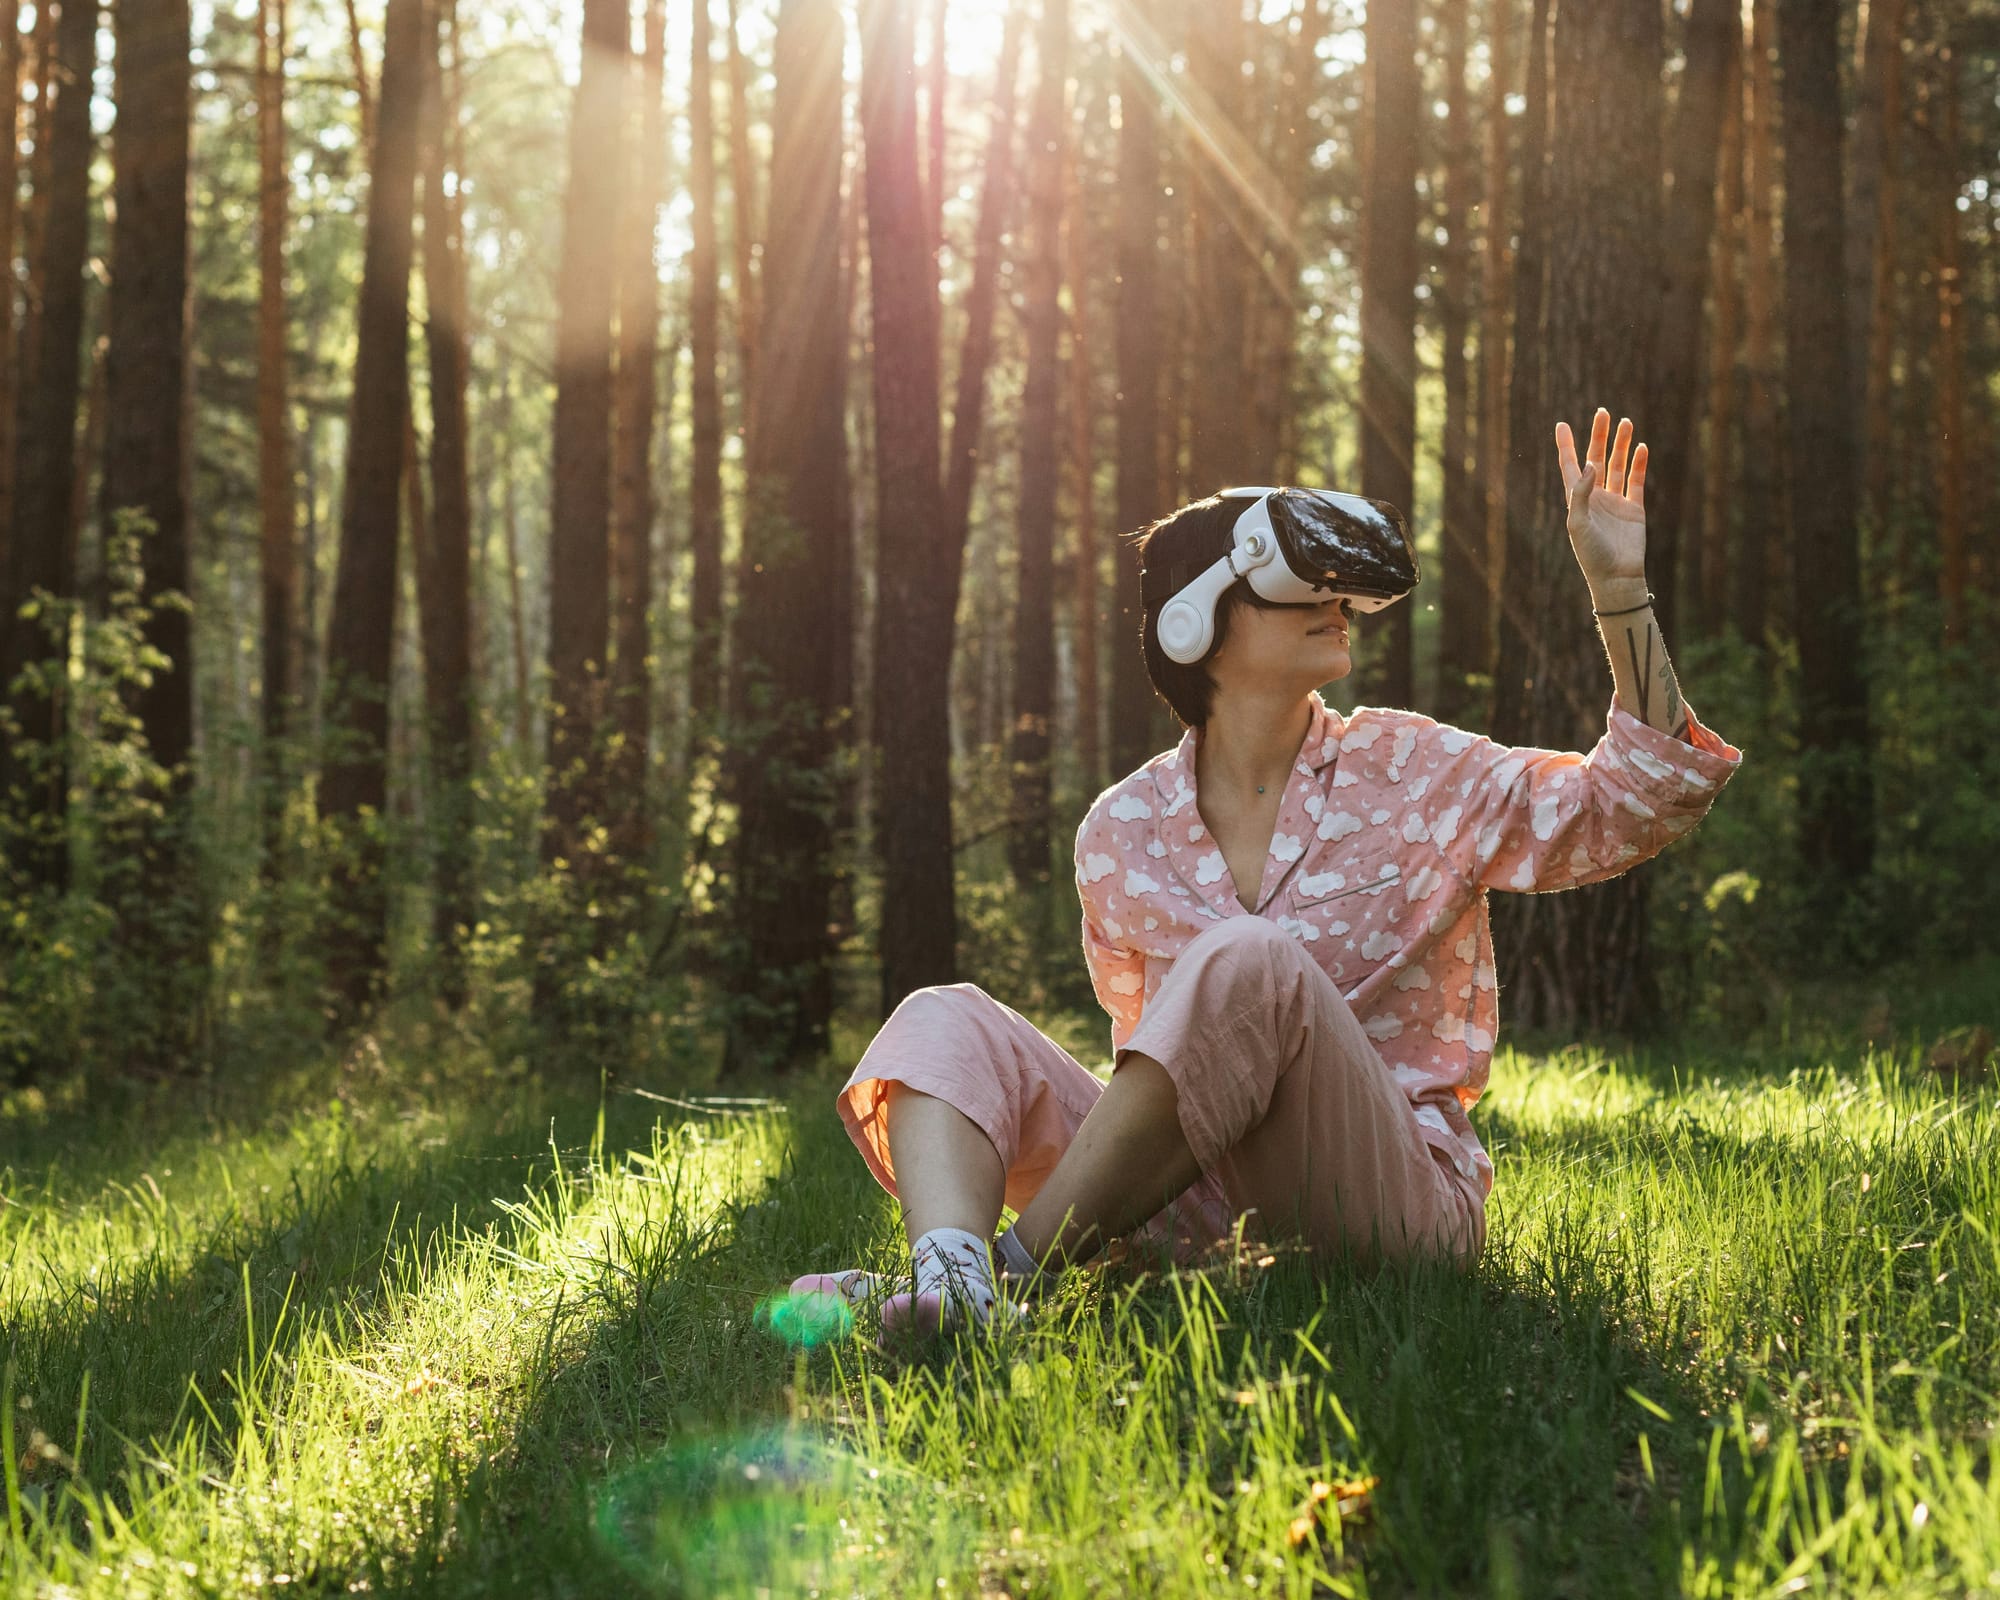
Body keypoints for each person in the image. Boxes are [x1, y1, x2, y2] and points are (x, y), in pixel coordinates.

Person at [792, 406, 1744, 1335]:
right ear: (1193, 618)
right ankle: (948, 1268)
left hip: (1390, 1206)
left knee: (1252, 961)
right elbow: (1160, 1068)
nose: (1337, 603)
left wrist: (1620, 592)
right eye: (1301, 581)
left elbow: (1639, 802)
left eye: (1343, 585)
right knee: (941, 1016)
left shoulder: (1414, 769)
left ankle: (1007, 1283)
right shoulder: (1119, 833)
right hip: (1201, 1214)